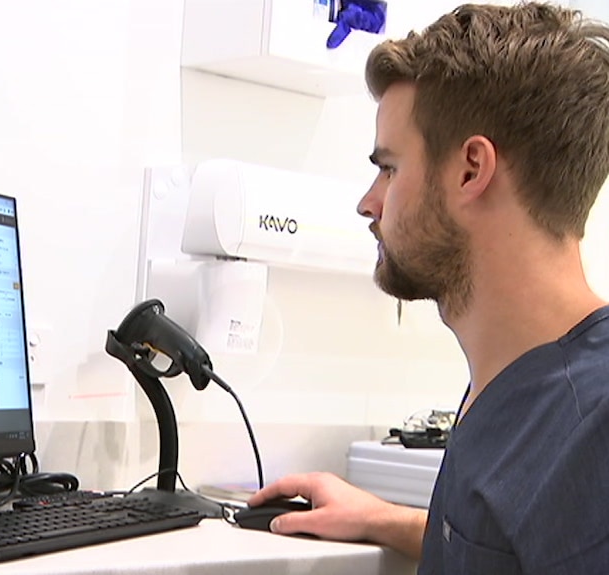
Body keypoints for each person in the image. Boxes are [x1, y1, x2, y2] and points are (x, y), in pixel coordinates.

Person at [247, 2, 609, 573]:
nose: (370, 202)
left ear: (470, 170)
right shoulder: (516, 384)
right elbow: (514, 544)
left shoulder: (592, 427)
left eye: (389, 167)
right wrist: (380, 519)